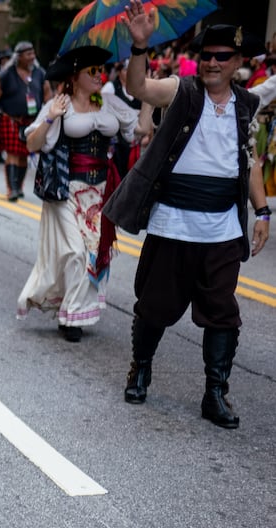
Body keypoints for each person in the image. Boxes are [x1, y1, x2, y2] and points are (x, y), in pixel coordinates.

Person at [106, 15, 270, 426]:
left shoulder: (246, 105)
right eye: (206, 56)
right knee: (155, 307)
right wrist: (139, 46)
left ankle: (215, 393)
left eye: (222, 57)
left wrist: (263, 210)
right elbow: (139, 87)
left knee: (223, 314)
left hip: (222, 228)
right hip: (173, 224)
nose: (212, 63)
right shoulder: (183, 91)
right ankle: (140, 367)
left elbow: (248, 164)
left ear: (237, 62)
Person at [17, 47, 136, 341]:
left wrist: (146, 100)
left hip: (99, 191)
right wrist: (50, 118)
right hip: (66, 189)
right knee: (74, 250)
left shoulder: (109, 102)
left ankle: (72, 315)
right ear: (75, 76)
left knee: (94, 254)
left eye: (100, 70)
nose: (99, 75)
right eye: (92, 71)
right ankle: (70, 312)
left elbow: (137, 130)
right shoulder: (60, 104)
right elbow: (32, 144)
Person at [0, 41, 47, 201]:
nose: (32, 57)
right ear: (18, 57)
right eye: (28, 54)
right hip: (10, 119)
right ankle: (12, 189)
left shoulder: (39, 73)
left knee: (24, 155)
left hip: (31, 121)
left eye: (33, 53)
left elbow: (48, 95)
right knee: (12, 154)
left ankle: (19, 187)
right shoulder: (5, 74)